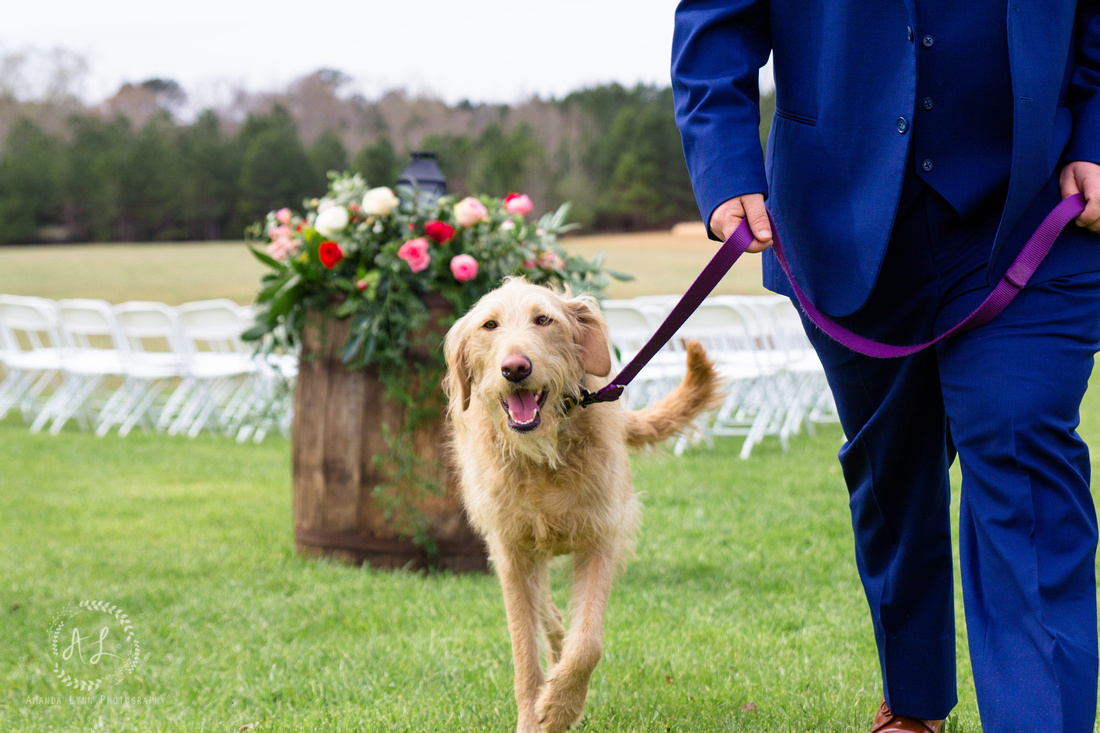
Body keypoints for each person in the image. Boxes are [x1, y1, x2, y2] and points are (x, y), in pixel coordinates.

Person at [671, 2, 1100, 732]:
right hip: (841, 212)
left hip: (1035, 208)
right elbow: (716, 22)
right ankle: (914, 701)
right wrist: (726, 166)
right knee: (891, 469)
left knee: (1021, 444)